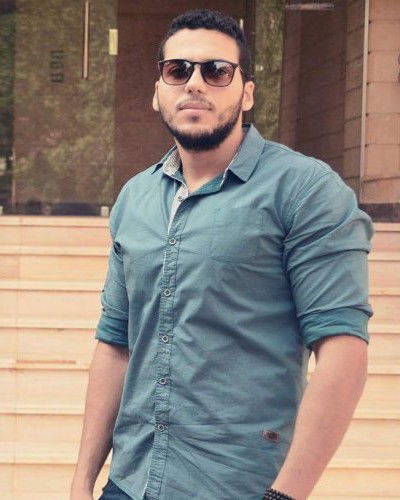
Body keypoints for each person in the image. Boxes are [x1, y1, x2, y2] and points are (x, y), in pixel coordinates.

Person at [70, 9, 374, 500]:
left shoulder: (305, 191)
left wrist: (285, 495)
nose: (195, 83)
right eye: (178, 70)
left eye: (216, 71)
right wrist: (82, 480)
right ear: (158, 91)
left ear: (247, 93)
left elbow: (343, 351)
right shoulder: (135, 198)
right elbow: (115, 344)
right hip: (129, 483)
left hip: (237, 486)